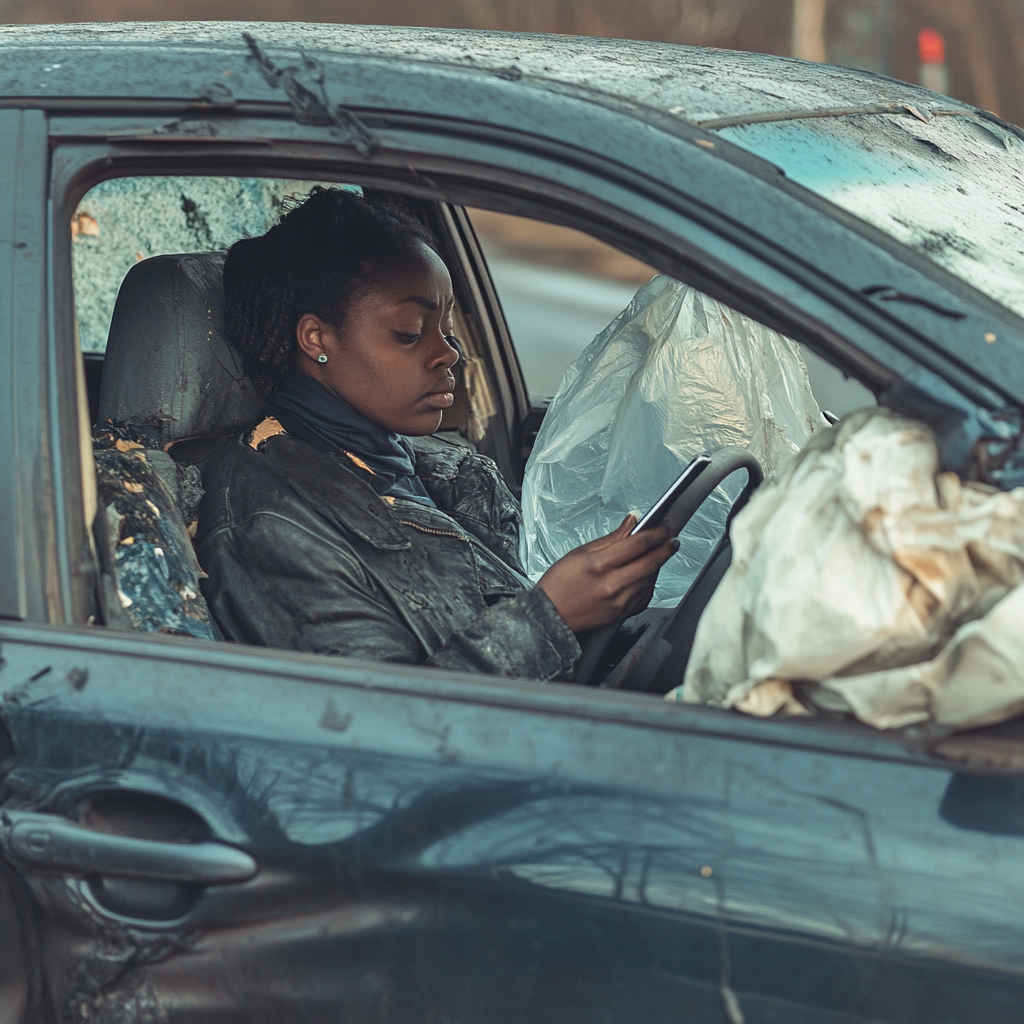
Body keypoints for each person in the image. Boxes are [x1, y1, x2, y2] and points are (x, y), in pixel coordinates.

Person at [194, 187, 678, 680]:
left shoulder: (427, 466)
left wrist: (605, 603)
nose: (448, 354)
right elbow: (377, 728)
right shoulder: (269, 525)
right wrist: (549, 617)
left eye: (445, 330)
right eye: (409, 332)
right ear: (317, 338)